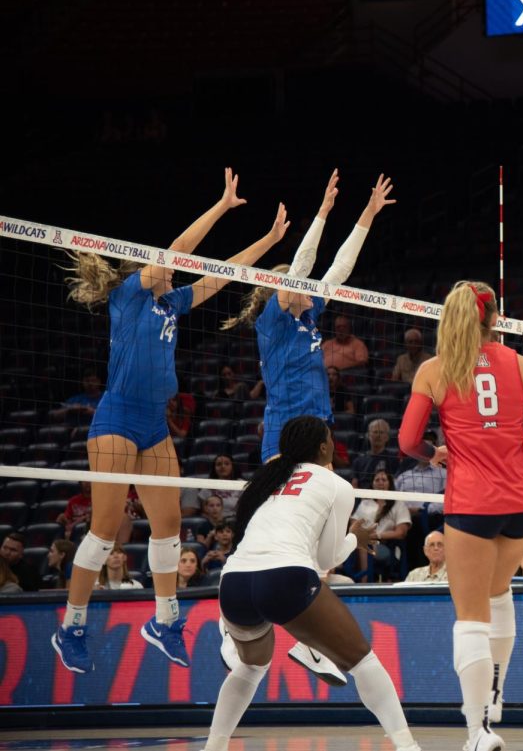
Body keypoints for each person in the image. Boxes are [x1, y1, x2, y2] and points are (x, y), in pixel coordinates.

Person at [54, 167, 287, 675]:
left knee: (170, 524)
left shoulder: (173, 304)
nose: (170, 272)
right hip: (115, 416)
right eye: (164, 266)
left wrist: (267, 241)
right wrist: (222, 207)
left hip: (153, 423)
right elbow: (179, 251)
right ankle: (70, 625)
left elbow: (221, 276)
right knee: (105, 529)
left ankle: (164, 621)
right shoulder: (130, 295)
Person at [398, 279, 523, 751]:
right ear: (494, 319)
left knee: (470, 618)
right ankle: (495, 699)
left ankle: (477, 731)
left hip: (472, 504)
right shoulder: (521, 363)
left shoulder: (435, 369)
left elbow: (407, 442)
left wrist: (435, 452)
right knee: (499, 594)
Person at [205, 416, 421, 751]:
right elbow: (325, 559)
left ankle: (213, 747)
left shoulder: (267, 478)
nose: (335, 442)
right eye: (332, 437)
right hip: (284, 577)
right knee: (364, 662)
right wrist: (356, 537)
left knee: (249, 668)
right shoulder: (335, 484)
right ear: (323, 446)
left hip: (233, 584)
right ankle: (408, 747)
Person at [223, 171, 390, 463]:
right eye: (297, 284)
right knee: (279, 501)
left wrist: (369, 213)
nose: (307, 284)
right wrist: (323, 211)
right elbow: (301, 268)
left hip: (317, 424)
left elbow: (340, 269)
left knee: (323, 504)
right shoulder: (273, 321)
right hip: (284, 426)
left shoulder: (310, 313)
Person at [352, 469, 412, 581]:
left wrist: (376, 536)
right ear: (373, 483)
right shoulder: (365, 503)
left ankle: (364, 582)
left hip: (386, 545)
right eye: (377, 480)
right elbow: (353, 525)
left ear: (390, 483)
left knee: (364, 545)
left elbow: (400, 532)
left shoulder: (398, 505)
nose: (380, 482)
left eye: (384, 480)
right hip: (360, 540)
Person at [353, 419, 401, 488]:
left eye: (381, 432)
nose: (378, 435)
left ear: (387, 437)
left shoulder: (393, 459)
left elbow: (395, 482)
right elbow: (354, 485)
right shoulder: (358, 461)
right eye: (375, 432)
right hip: (364, 496)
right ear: (368, 435)